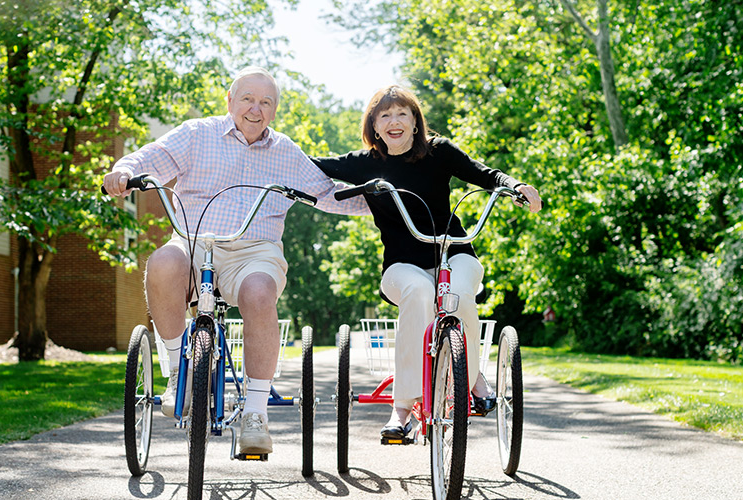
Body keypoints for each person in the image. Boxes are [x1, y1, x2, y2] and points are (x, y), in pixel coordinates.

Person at [102, 66, 368, 454]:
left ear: (274, 111)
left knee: (261, 294)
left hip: (254, 250)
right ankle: (180, 375)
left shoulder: (286, 152)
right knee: (162, 262)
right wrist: (124, 170)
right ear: (229, 101)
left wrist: (381, 205)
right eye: (247, 99)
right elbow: (153, 158)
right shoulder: (197, 134)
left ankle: (255, 416)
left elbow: (329, 194)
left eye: (266, 102)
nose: (255, 109)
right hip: (194, 241)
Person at [312, 85, 542, 439]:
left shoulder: (439, 152)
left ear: (416, 121)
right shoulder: (366, 164)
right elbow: (314, 165)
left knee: (460, 294)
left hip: (455, 254)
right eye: (384, 115)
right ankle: (402, 409)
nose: (394, 121)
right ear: (373, 125)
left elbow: (485, 174)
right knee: (420, 291)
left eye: (402, 113)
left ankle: (473, 378)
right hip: (401, 266)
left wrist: (517, 186)